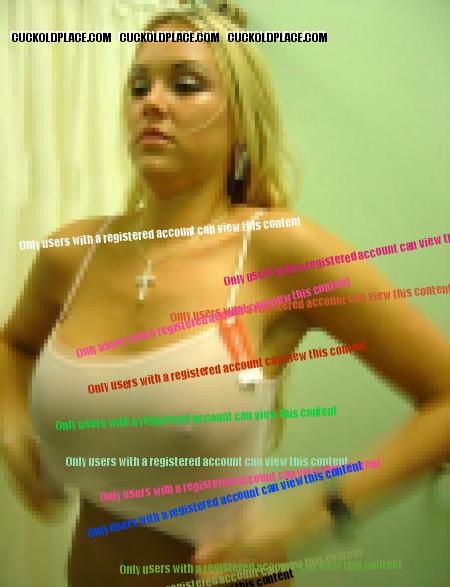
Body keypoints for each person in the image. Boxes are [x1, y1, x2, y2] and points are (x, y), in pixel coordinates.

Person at [1, 2, 449, 586]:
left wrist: (314, 518)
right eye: (138, 86)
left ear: (240, 117)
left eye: (185, 85)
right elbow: (14, 344)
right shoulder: (73, 254)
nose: (151, 103)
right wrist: (11, 423)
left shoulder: (277, 250)